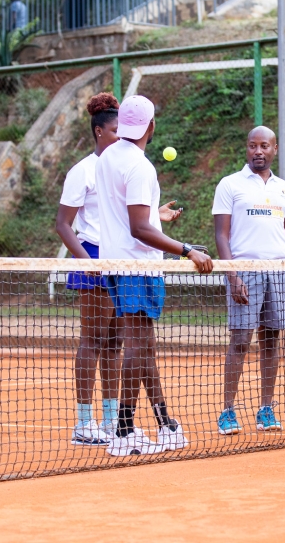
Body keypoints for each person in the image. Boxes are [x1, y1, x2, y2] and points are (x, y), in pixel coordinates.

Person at [55, 93, 185, 446]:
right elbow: (64, 223)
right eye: (113, 130)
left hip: (121, 255)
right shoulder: (87, 169)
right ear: (99, 131)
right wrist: (87, 261)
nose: (118, 136)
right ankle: (86, 423)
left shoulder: (117, 162)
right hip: (98, 256)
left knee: (117, 343)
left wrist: (156, 214)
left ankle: (114, 419)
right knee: (95, 340)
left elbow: (127, 213)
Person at [95, 94, 214, 456]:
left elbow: (130, 215)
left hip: (116, 262)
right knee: (137, 344)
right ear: (151, 127)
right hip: (137, 264)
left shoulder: (107, 156)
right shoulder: (140, 166)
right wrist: (187, 249)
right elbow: (138, 228)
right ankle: (124, 430)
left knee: (143, 344)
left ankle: (165, 424)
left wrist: (154, 214)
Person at [212, 126, 285, 435]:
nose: (258, 151)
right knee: (240, 340)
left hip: (279, 272)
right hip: (244, 270)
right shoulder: (229, 185)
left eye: (264, 146)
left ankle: (266, 409)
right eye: (253, 145)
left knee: (271, 341)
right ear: (247, 148)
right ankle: (228, 411)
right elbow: (221, 235)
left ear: (274, 149)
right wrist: (232, 275)